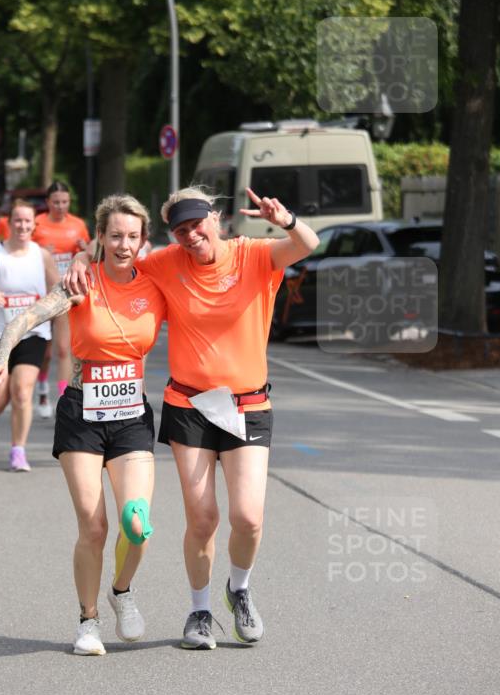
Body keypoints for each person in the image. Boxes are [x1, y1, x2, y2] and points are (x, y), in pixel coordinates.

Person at [67, 186, 319, 649]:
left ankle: (237, 590)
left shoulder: (255, 256)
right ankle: (199, 610)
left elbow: (308, 245)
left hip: (248, 405)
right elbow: (118, 254)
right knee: (202, 519)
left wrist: (284, 219)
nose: (190, 234)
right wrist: (82, 257)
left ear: (215, 218)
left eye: (196, 224)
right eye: (180, 229)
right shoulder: (165, 262)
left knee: (248, 517)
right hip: (191, 406)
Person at [0, 195, 165, 656]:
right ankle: (88, 620)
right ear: (100, 238)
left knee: (137, 523)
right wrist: (2, 356)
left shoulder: (158, 283)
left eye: (132, 236)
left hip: (129, 418)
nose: (124, 245)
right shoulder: (80, 283)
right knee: (94, 527)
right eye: (115, 236)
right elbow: (24, 319)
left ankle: (121, 591)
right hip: (82, 414)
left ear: (144, 240)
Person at [0, 203, 59, 472]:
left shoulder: (42, 256)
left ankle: (18, 450)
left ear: (34, 225)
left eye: (28, 222)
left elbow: (58, 291)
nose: (23, 226)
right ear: (10, 223)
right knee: (0, 396)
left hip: (33, 333)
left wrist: (47, 309)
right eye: (18, 221)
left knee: (22, 390)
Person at [32, 181, 91, 418]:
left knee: (65, 350)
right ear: (47, 203)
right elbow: (24, 254)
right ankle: (43, 389)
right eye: (55, 202)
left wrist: (84, 247)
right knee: (45, 352)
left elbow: (89, 254)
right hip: (42, 293)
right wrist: (40, 251)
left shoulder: (78, 225)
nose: (60, 206)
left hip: (67, 292)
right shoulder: (37, 225)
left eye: (64, 202)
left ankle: (63, 398)